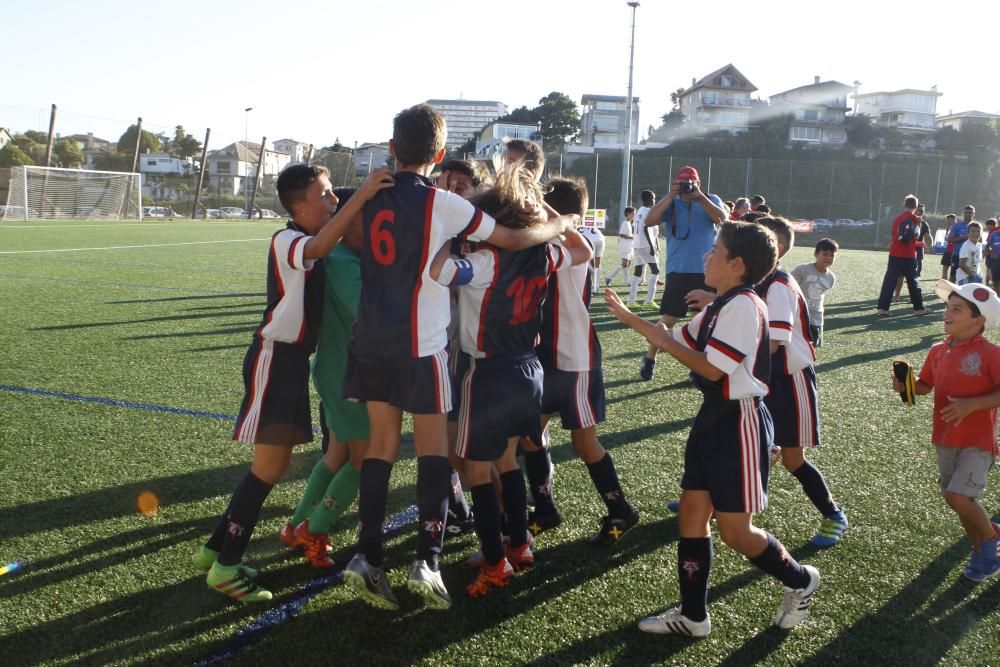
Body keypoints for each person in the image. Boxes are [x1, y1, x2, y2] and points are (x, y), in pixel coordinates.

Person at [341, 104, 573, 611]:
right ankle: (427, 558)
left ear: (393, 147)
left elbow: (353, 241)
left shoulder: (370, 196)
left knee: (380, 445)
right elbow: (511, 238)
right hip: (423, 344)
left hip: (370, 340)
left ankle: (367, 554)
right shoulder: (442, 203)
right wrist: (558, 225)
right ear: (441, 154)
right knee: (432, 452)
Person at [605, 222, 820, 637]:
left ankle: (800, 580)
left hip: (739, 421)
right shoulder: (722, 303)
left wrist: (662, 340)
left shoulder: (743, 305)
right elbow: (676, 338)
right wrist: (630, 318)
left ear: (736, 264)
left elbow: (710, 366)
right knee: (691, 513)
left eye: (714, 251)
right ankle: (693, 615)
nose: (706, 256)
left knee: (736, 532)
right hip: (714, 418)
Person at [192, 164, 394, 602]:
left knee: (270, 467)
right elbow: (323, 245)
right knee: (269, 468)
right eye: (324, 195)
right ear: (297, 206)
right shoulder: (289, 240)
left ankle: (214, 551)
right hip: (275, 356)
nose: (333, 201)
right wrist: (361, 197)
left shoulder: (309, 243)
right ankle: (226, 568)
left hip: (291, 361)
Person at [430, 166, 593, 597]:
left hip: (486, 373)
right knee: (507, 462)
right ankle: (519, 545)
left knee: (478, 472)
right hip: (528, 369)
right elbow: (582, 251)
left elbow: (438, 270)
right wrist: (548, 217)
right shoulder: (545, 254)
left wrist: (454, 229)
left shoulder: (483, 261)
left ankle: (494, 559)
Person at [522, 177, 640, 546]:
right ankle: (544, 509)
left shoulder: (573, 242)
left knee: (584, 442)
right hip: (545, 356)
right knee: (529, 436)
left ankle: (622, 509)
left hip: (575, 358)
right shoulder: (552, 241)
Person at [276, 188, 372, 569]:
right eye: (367, 219)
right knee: (366, 458)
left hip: (339, 370)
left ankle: (296, 525)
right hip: (348, 375)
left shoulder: (344, 255)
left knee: (339, 453)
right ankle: (316, 531)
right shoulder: (344, 260)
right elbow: (366, 312)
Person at [893, 280, 1000, 582]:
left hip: (978, 441)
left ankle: (991, 538)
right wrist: (908, 386)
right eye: (947, 307)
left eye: (957, 309)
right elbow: (925, 386)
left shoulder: (991, 353)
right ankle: (980, 547)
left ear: (979, 320)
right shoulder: (938, 350)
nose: (947, 313)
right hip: (945, 437)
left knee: (957, 497)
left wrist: (972, 405)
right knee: (958, 500)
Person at [753, 218, 848, 547]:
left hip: (789, 382)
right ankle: (708, 502)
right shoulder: (755, 280)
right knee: (742, 443)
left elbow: (774, 344)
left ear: (773, 247)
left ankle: (834, 514)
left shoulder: (778, 285)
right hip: (765, 377)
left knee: (792, 458)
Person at [637, 165, 727, 380]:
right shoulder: (672, 202)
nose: (687, 186)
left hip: (706, 271)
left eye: (691, 183)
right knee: (668, 319)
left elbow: (723, 218)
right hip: (678, 270)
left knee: (701, 321)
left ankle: (697, 368)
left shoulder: (710, 199)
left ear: (698, 183)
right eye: (683, 183)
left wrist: (700, 198)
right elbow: (649, 221)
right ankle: (650, 357)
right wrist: (671, 195)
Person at [875, 194, 929, 316]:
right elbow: (915, 235)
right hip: (908, 255)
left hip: (894, 254)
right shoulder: (915, 219)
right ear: (915, 207)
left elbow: (894, 235)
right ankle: (919, 309)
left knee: (889, 281)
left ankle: (882, 309)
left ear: (904, 205)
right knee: (912, 282)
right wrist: (919, 225)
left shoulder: (897, 219)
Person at [791, 238, 839, 348]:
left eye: (832, 255)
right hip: (798, 314)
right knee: (795, 346)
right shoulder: (802, 269)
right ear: (816, 254)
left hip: (816, 316)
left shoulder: (831, 278)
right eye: (825, 254)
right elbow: (789, 287)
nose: (828, 258)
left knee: (811, 347)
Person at [627, 190, 660, 307]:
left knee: (638, 272)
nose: (654, 201)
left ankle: (631, 301)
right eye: (653, 198)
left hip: (637, 245)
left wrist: (657, 245)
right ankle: (649, 301)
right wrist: (652, 246)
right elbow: (646, 229)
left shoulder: (639, 211)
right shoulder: (648, 211)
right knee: (656, 270)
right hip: (645, 245)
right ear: (648, 199)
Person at [605, 207, 635, 287]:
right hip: (625, 246)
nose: (634, 215)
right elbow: (621, 234)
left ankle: (626, 281)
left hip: (629, 246)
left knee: (627, 264)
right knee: (624, 264)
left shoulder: (629, 223)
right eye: (633, 213)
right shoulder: (625, 223)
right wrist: (632, 237)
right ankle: (608, 276)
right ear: (628, 214)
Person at [948, 206, 975, 282]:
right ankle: (951, 292)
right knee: (953, 276)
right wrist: (962, 238)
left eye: (970, 213)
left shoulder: (976, 226)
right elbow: (950, 239)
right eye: (966, 212)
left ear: (973, 214)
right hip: (957, 255)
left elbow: (980, 240)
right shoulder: (957, 226)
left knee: (970, 276)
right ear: (963, 213)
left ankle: (967, 293)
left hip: (971, 256)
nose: (968, 214)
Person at [578, 223, 606, 293]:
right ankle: (596, 287)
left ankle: (589, 287)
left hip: (592, 240)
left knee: (590, 264)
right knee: (597, 263)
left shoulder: (580, 226)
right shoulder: (591, 223)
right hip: (601, 239)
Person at [984, 219, 1000, 291]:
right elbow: (987, 246)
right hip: (996, 261)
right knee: (996, 283)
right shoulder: (994, 233)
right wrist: (991, 253)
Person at [941, 214, 957, 280]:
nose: (948, 222)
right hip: (948, 251)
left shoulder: (957, 228)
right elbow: (946, 239)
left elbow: (951, 239)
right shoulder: (949, 228)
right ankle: (943, 285)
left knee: (953, 271)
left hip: (955, 252)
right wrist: (947, 231)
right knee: (944, 269)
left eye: (950, 220)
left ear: (954, 220)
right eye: (948, 220)